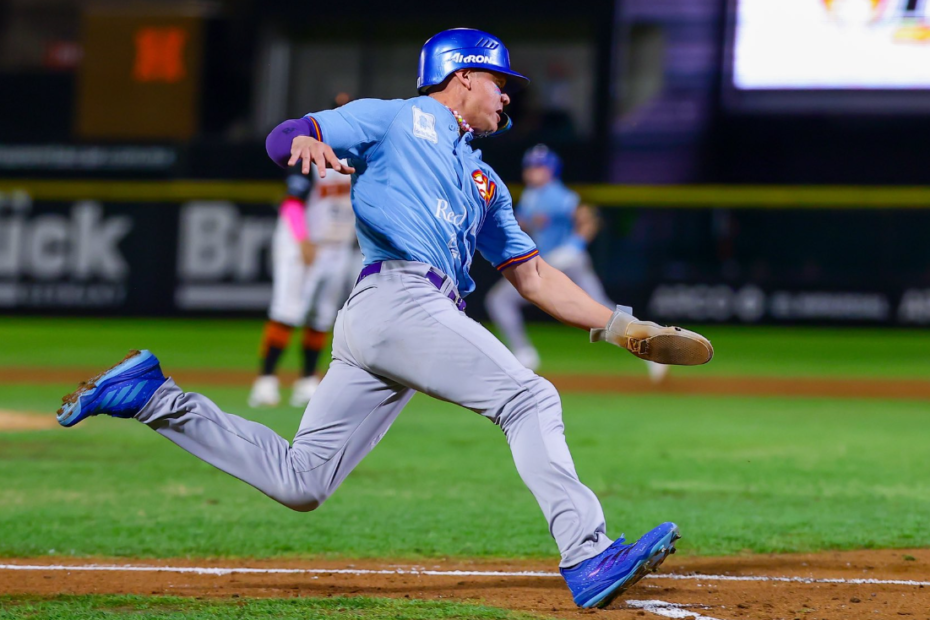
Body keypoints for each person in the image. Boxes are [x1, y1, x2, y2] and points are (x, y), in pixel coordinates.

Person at [55, 28, 712, 609]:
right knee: (529, 398)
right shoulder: (398, 118)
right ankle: (587, 552)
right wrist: (301, 141)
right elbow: (287, 134)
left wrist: (623, 327)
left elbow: (534, 277)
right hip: (400, 297)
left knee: (302, 480)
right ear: (463, 76)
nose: (508, 95)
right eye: (499, 81)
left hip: (391, 319)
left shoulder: (485, 182)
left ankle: (152, 398)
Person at [486, 144, 669, 383]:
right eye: (529, 167)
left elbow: (589, 220)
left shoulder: (558, 194)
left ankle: (649, 344)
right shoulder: (531, 196)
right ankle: (525, 354)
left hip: (570, 262)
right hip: (545, 265)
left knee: (601, 312)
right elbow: (521, 225)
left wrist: (573, 246)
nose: (532, 171)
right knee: (500, 300)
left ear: (551, 170)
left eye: (539, 167)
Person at [249, 162, 363, 408]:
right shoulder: (310, 159)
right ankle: (265, 381)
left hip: (338, 244)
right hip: (302, 243)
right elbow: (291, 203)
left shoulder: (361, 157)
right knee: (287, 311)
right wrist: (302, 240)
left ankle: (307, 381)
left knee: (323, 315)